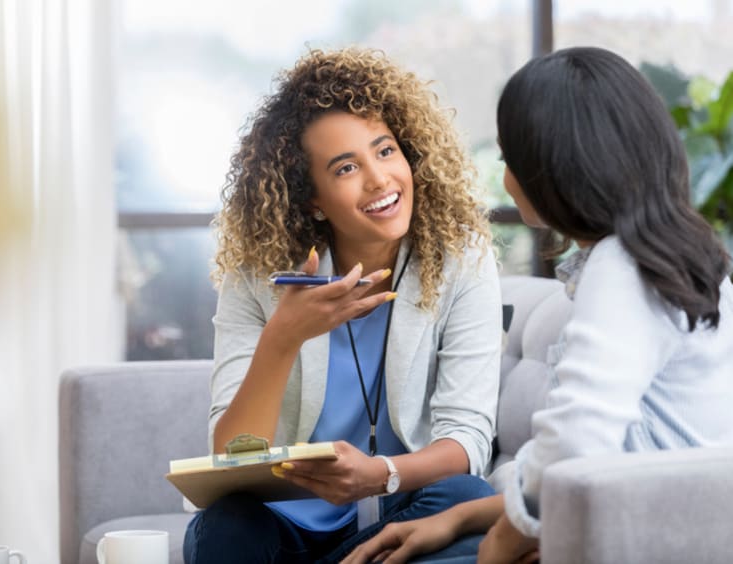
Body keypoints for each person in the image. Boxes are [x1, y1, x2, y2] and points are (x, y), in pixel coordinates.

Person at [343, 46, 733, 564]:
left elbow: (574, 445)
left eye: (509, 160)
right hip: (660, 521)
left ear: (554, 170)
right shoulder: (684, 258)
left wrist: (501, 545)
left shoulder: (622, 268)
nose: (506, 178)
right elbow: (622, 457)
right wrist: (461, 519)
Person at [182, 47, 504, 563]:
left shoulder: (462, 260)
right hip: (284, 529)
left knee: (468, 498)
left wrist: (380, 475)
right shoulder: (258, 276)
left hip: (397, 522)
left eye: (385, 151)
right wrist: (283, 337)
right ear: (311, 198)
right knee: (224, 527)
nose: (379, 180)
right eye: (347, 167)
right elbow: (228, 459)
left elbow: (467, 442)